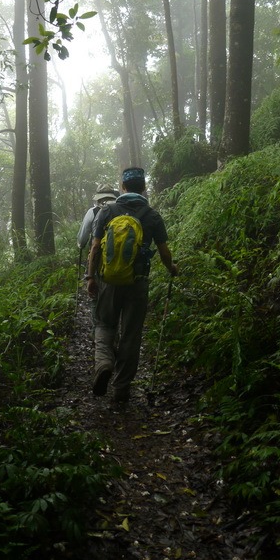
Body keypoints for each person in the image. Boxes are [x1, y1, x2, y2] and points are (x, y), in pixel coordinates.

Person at [85, 167, 178, 403]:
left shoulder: (107, 211)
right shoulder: (152, 216)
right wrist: (172, 269)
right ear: (144, 187)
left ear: (123, 187)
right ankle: (121, 389)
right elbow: (165, 253)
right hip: (137, 284)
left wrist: (90, 277)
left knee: (105, 324)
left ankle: (104, 362)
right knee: (131, 335)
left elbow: (95, 248)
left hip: (108, 282)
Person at [77, 184, 118, 251]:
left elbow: (83, 234)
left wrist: (81, 244)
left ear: (99, 198)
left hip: (98, 251)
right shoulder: (120, 209)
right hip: (119, 251)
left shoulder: (93, 211)